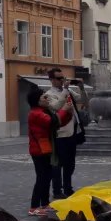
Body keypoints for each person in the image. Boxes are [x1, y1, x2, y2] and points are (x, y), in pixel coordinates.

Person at [27, 88, 74, 216]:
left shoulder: (42, 111)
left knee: (47, 176)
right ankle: (34, 206)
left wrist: (68, 113)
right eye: (43, 98)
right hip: (39, 150)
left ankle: (45, 203)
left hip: (45, 148)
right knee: (42, 178)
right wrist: (64, 110)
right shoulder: (36, 113)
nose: (46, 99)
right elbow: (51, 121)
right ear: (37, 101)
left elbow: (58, 122)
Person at [43, 68, 83, 199]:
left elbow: (81, 99)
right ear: (52, 80)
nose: (62, 81)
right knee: (58, 164)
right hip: (60, 134)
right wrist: (65, 90)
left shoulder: (68, 91)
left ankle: (68, 187)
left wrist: (82, 88)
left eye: (63, 78)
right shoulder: (48, 94)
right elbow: (56, 107)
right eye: (59, 79)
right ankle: (57, 190)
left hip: (72, 132)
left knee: (70, 163)